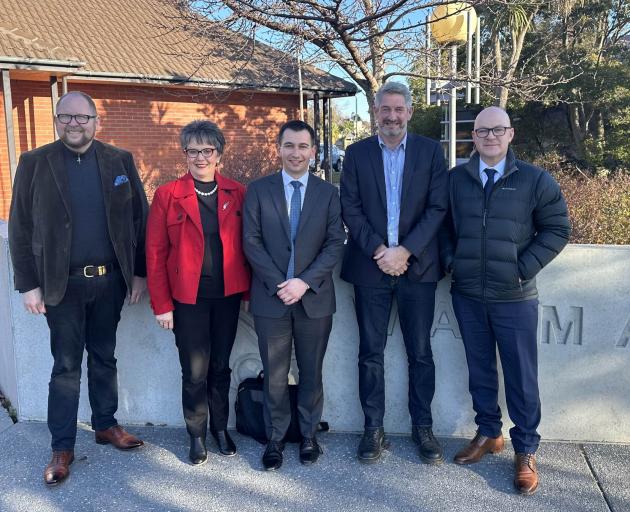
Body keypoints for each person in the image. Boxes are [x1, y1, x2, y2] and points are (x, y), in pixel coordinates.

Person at [8, 91, 148, 486]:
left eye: (82, 117)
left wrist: (138, 273)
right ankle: (62, 446)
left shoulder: (120, 160)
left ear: (95, 121)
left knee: (105, 356)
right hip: (61, 286)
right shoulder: (34, 163)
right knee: (66, 367)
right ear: (57, 120)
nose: (74, 124)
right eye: (66, 117)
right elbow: (20, 228)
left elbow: (140, 219)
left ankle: (106, 425)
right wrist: (28, 285)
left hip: (109, 280)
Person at [441, 106, 570, 495]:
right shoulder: (456, 179)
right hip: (467, 294)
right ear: (473, 137)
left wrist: (522, 268)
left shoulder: (534, 179)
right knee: (479, 369)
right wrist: (452, 263)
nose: (490, 137)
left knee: (521, 375)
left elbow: (558, 228)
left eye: (498, 130)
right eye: (483, 131)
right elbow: (442, 227)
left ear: (511, 134)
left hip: (514, 297)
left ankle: (526, 449)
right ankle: (488, 433)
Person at [340, 81, 448, 464]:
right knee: (370, 352)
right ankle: (374, 428)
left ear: (410, 113)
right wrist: (380, 251)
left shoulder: (431, 152)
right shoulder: (355, 154)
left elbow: (438, 208)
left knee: (420, 352)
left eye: (398, 110)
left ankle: (423, 427)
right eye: (385, 109)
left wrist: (405, 251)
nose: (392, 116)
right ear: (375, 112)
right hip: (370, 268)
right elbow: (350, 208)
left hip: (418, 268)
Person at [146, 120, 250, 465]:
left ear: (219, 154)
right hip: (187, 299)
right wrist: (162, 305)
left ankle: (221, 428)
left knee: (220, 367)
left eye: (208, 150)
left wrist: (249, 294)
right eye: (194, 151)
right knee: (193, 370)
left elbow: (249, 245)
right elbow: (156, 253)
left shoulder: (237, 192)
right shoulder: (168, 195)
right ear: (185, 154)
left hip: (228, 296)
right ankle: (197, 433)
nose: (201, 157)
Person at [243, 120, 345, 471]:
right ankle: (275, 438)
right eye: (290, 145)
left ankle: (309, 435)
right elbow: (251, 242)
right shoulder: (258, 190)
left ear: (314, 152)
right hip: (271, 299)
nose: (296, 153)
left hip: (314, 299)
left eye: (303, 146)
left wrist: (303, 282)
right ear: (279, 148)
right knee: (274, 373)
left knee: (311, 372)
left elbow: (334, 243)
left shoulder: (329, 193)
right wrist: (279, 284)